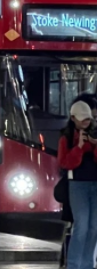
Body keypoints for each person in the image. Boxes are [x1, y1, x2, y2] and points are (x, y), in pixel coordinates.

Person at [58, 100, 96, 269]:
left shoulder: (95, 133)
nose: (85, 122)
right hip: (77, 185)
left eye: (88, 119)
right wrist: (79, 147)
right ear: (73, 118)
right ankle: (73, 265)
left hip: (96, 183)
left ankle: (88, 264)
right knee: (81, 225)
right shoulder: (66, 137)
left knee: (94, 226)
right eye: (82, 119)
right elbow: (65, 163)